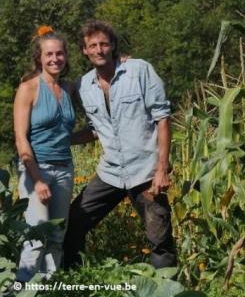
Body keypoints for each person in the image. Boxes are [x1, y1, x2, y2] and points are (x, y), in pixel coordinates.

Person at [63, 20, 176, 269]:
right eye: (92, 45)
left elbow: (162, 118)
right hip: (111, 173)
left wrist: (162, 169)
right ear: (85, 50)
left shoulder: (139, 70)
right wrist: (65, 140)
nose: (99, 49)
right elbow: (96, 130)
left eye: (104, 43)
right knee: (73, 222)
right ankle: (72, 280)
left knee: (160, 238)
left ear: (113, 45)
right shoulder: (84, 86)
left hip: (145, 171)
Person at [14, 26, 76, 282]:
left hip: (64, 170)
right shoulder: (28, 88)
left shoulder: (70, 88)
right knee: (35, 239)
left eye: (59, 54)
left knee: (56, 238)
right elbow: (20, 138)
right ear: (39, 57)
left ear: (65, 56)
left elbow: (102, 85)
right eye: (49, 54)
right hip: (35, 170)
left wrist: (121, 62)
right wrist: (37, 179)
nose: (54, 59)